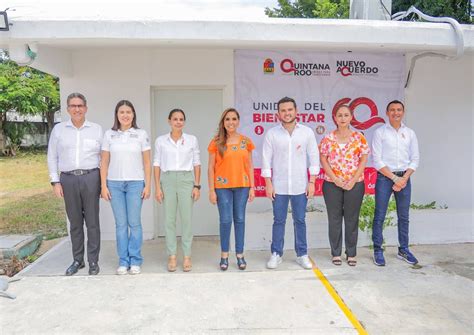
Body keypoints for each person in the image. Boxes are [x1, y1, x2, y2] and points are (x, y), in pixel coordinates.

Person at [47, 92, 102, 276]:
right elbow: (52, 157)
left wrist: (103, 183)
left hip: (91, 177)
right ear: (68, 108)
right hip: (68, 179)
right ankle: (78, 260)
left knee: (93, 222)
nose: (77, 109)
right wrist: (55, 181)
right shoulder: (59, 130)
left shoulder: (96, 129)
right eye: (73, 106)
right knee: (75, 222)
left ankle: (93, 261)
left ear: (85, 108)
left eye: (80, 105)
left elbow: (104, 157)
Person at [262, 96, 319, 270]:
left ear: (296, 111)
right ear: (278, 113)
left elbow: (314, 158)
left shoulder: (307, 132)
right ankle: (276, 254)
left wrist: (312, 182)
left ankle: (302, 254)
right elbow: (266, 160)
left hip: (300, 185)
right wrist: (268, 183)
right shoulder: (272, 134)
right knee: (278, 220)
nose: (287, 113)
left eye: (290, 110)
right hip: (278, 186)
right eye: (283, 110)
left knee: (300, 220)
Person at [100, 100, 151, 275]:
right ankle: (123, 261)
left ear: (133, 114)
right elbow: (104, 161)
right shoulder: (109, 135)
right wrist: (103, 186)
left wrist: (148, 185)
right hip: (114, 184)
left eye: (128, 112)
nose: (125, 115)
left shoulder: (141, 134)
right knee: (121, 225)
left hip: (136, 184)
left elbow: (146, 162)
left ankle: (135, 260)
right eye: (121, 112)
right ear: (117, 115)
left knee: (134, 223)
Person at [319, 105, 369, 267]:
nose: (342, 118)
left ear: (351, 117)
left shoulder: (359, 137)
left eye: (346, 115)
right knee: (334, 219)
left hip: (355, 184)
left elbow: (363, 159)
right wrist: (335, 178)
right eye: (339, 115)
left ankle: (351, 253)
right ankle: (336, 253)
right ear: (335, 118)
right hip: (332, 184)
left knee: (351, 219)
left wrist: (353, 179)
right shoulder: (328, 138)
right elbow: (323, 159)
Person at [372, 100, 420, 266]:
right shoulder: (380, 132)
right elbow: (377, 160)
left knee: (404, 216)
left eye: (399, 110)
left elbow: (415, 159)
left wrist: (404, 178)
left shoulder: (410, 133)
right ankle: (378, 250)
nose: (396, 113)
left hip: (405, 178)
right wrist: (394, 178)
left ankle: (403, 249)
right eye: (392, 110)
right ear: (387, 112)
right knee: (379, 215)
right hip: (385, 178)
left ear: (403, 112)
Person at [154, 109, 201, 272]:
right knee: (169, 220)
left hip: (186, 179)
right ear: (169, 121)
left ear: (184, 122)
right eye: (175, 119)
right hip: (167, 179)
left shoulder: (191, 140)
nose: (178, 122)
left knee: (186, 220)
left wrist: (197, 185)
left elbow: (196, 163)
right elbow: (157, 164)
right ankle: (172, 255)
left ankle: (187, 255)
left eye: (181, 119)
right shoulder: (161, 141)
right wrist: (157, 187)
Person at [208, 108, 255, 271]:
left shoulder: (246, 141)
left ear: (238, 121)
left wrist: (252, 187)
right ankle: (224, 255)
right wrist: (211, 190)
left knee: (240, 219)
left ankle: (240, 255)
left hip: (242, 186)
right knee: (226, 220)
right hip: (222, 187)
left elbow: (249, 165)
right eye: (227, 119)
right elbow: (210, 167)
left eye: (234, 119)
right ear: (223, 122)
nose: (231, 122)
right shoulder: (216, 142)